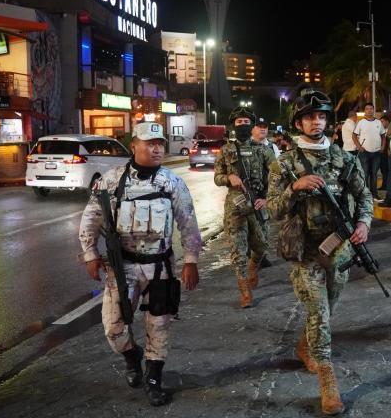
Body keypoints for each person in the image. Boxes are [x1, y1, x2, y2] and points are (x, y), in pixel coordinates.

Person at [78, 122, 201, 406]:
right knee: (114, 328)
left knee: (159, 326)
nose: (156, 148)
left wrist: (191, 260)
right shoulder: (111, 180)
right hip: (123, 267)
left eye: (160, 143)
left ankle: (154, 378)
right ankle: (133, 358)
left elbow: (188, 223)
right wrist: (90, 254)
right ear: (134, 145)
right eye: (149, 143)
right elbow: (91, 218)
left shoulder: (172, 181)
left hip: (161, 267)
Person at [267, 89, 372, 415]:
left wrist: (364, 224)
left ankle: (305, 345)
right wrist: (295, 188)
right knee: (320, 313)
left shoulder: (344, 158)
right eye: (310, 117)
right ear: (298, 122)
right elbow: (272, 209)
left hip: (339, 250)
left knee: (329, 307)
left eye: (322, 116)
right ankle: (328, 380)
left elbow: (365, 196)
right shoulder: (284, 164)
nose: (317, 122)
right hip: (305, 251)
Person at [214, 107, 276, 307]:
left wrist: (267, 198)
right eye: (239, 122)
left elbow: (276, 177)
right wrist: (228, 177)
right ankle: (245, 291)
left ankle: (253, 267)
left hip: (258, 204)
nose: (242, 125)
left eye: (246, 122)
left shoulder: (263, 150)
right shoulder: (225, 150)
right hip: (235, 206)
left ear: (252, 125)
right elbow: (217, 177)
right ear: (234, 126)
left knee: (262, 245)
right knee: (237, 250)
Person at [352, 102, 386, 200]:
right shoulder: (361, 122)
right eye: (367, 109)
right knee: (365, 174)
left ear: (373, 110)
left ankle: (374, 194)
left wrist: (383, 146)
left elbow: (383, 136)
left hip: (376, 152)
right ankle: (365, 194)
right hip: (364, 153)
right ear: (365, 111)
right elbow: (354, 136)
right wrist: (359, 147)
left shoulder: (378, 122)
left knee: (374, 174)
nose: (369, 110)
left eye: (371, 109)